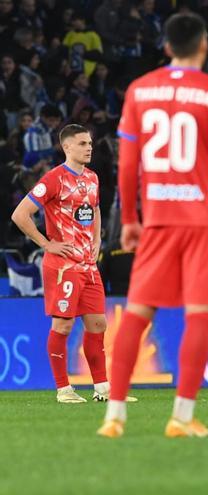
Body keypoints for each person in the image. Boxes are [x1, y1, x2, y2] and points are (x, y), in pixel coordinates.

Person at [97, 13, 208, 439]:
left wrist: (129, 217)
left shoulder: (140, 90)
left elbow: (128, 163)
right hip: (205, 221)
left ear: (166, 47)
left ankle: (114, 417)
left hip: (159, 219)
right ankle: (181, 417)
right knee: (199, 314)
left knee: (138, 312)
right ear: (203, 46)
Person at [10, 125, 134, 404]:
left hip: (88, 265)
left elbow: (97, 208)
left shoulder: (92, 178)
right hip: (63, 266)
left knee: (98, 323)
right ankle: (63, 389)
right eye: (82, 143)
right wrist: (46, 244)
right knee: (63, 326)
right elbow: (20, 214)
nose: (88, 147)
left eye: (89, 143)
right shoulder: (54, 179)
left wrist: (98, 238)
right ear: (67, 147)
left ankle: (103, 389)